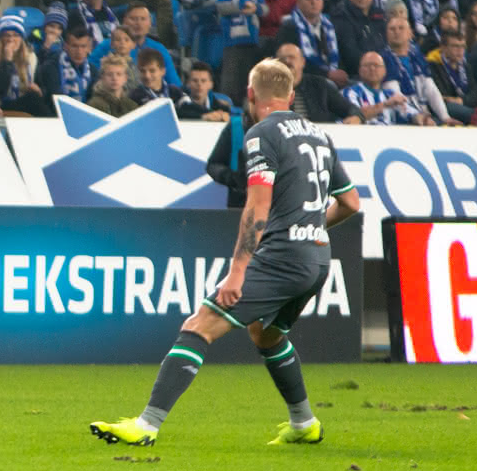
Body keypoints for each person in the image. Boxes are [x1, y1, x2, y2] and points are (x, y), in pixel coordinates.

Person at [92, 58, 360, 448]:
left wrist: (238, 271)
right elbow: (351, 203)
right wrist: (313, 227)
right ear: (290, 95)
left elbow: (256, 206)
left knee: (199, 325)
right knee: (266, 334)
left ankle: (146, 426)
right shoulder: (319, 135)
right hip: (317, 258)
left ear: (251, 95)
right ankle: (305, 423)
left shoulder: (261, 133)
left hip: (282, 256)